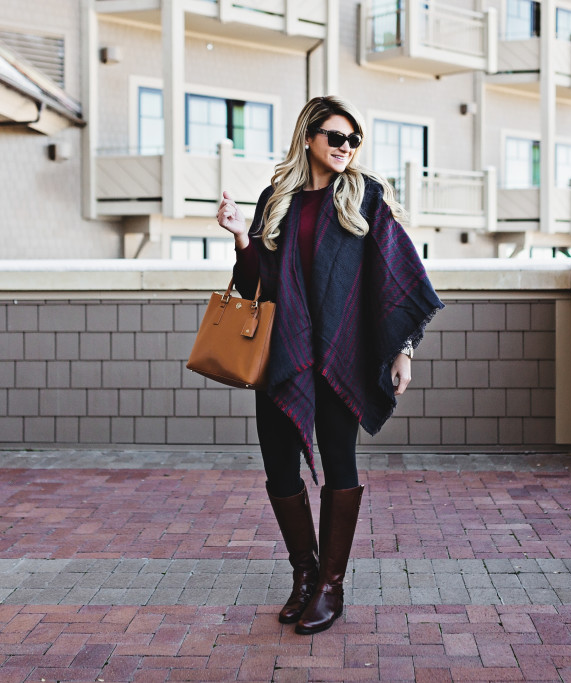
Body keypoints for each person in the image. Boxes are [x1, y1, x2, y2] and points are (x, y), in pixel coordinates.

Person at [215, 96, 442, 635]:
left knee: (340, 464)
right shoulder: (278, 198)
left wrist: (402, 349)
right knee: (278, 469)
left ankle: (330, 587)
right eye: (335, 138)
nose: (345, 148)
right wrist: (241, 237)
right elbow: (257, 287)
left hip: (340, 354)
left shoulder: (364, 198)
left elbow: (396, 275)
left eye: (353, 140)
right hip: (284, 353)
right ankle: (305, 574)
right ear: (309, 138)